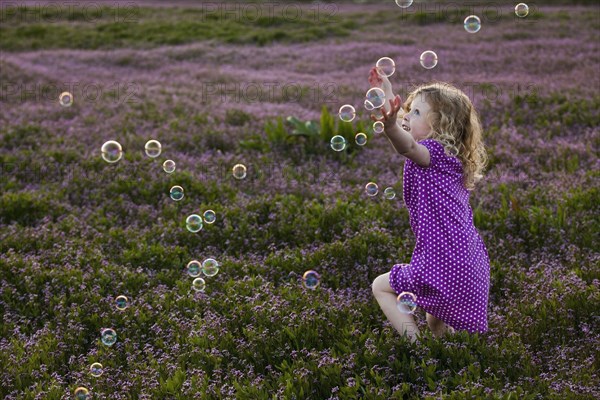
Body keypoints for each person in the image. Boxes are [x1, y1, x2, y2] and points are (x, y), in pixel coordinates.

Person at [368, 67, 490, 343]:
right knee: (437, 316)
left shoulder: (433, 153)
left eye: (417, 113)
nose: (407, 116)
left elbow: (407, 146)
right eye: (408, 109)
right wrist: (386, 92)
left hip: (443, 260)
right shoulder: (453, 158)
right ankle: (445, 352)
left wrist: (389, 128)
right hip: (470, 260)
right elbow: (403, 123)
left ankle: (416, 347)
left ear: (441, 126)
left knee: (381, 286)